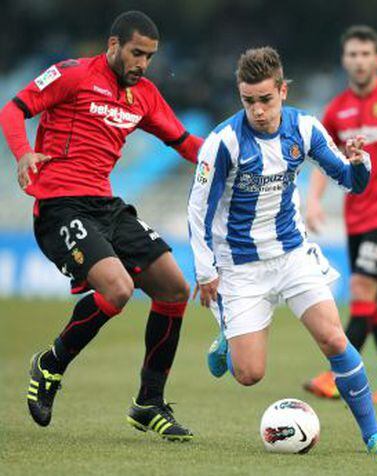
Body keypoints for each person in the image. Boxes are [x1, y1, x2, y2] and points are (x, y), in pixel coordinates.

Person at [188, 46, 377, 455]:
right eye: (248, 101)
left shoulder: (304, 128)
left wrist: (359, 162)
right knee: (250, 374)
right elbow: (197, 211)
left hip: (292, 253)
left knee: (333, 339)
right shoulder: (222, 143)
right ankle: (228, 337)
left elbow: (349, 181)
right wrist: (206, 273)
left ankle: (373, 436)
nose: (257, 110)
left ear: (283, 91)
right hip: (240, 267)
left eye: (266, 99)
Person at [0, 10, 203, 441]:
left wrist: (233, 158)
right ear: (113, 45)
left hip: (105, 205)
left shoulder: (144, 95)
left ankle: (148, 403)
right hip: (60, 206)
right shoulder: (72, 75)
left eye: (149, 56)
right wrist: (22, 153)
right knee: (117, 289)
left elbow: (186, 144)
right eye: (136, 53)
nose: (142, 64)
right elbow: (14, 109)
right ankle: (51, 364)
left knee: (173, 287)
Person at [304, 26, 377, 404]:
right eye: (352, 54)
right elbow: (324, 157)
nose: (359, 61)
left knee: (362, 290)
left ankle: (338, 375)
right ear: (344, 60)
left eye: (366, 54)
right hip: (358, 217)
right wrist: (313, 199)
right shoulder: (337, 110)